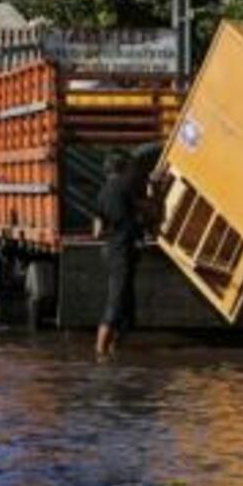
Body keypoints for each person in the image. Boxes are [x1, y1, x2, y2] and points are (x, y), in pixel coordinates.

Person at [94, 153, 142, 359]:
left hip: (111, 249)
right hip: (121, 251)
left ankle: (114, 350)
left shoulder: (102, 192)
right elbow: (146, 210)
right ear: (122, 170)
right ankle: (100, 352)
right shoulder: (125, 188)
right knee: (116, 302)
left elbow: (96, 230)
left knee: (126, 306)